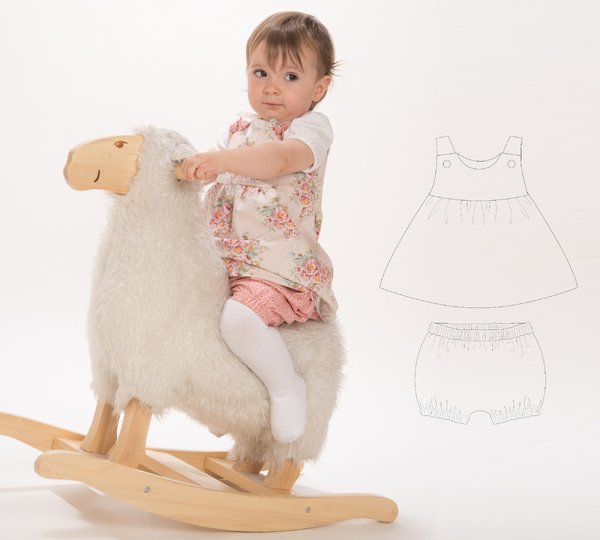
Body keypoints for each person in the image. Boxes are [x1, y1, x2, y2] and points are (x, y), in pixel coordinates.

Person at [180, 11, 338, 444]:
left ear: (319, 88)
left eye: (290, 76)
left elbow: (277, 160)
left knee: (239, 321)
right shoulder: (236, 131)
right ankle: (226, 395)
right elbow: (209, 172)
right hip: (223, 258)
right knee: (187, 311)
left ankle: (287, 388)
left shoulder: (308, 130)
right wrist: (189, 169)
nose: (271, 87)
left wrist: (222, 161)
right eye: (260, 72)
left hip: (275, 265)